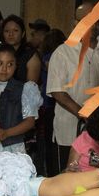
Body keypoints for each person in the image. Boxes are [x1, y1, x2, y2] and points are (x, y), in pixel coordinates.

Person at [46, 3, 99, 175]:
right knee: (68, 179)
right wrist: (85, 114)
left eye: (95, 20)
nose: (92, 25)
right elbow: (57, 91)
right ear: (75, 23)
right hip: (70, 128)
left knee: (97, 177)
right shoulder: (63, 52)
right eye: (86, 20)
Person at [37, 29, 66, 176]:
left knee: (48, 143)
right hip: (51, 105)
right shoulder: (53, 58)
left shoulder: (47, 57)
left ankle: (50, 172)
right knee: (49, 143)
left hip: (48, 105)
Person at [0, 15, 41, 83]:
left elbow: (30, 88)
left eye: (15, 31)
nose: (10, 34)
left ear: (22, 34)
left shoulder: (31, 55)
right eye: (7, 31)